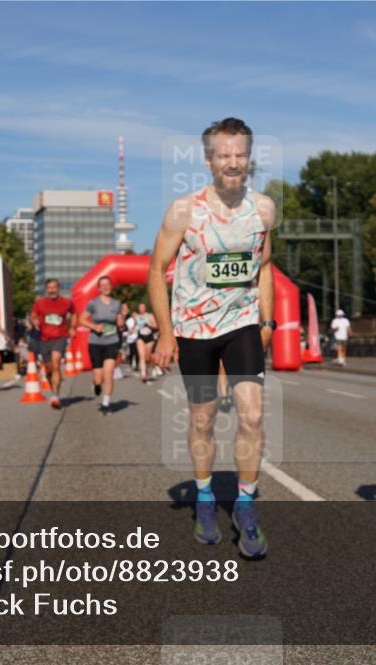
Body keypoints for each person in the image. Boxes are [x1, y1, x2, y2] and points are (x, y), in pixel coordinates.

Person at [149, 117, 276, 558]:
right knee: (202, 420)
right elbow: (155, 271)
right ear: (209, 160)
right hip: (193, 329)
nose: (233, 162)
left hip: (241, 324)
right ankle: (205, 498)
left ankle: (245, 504)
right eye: (225, 155)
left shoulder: (263, 209)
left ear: (249, 158)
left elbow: (263, 268)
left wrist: (268, 322)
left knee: (253, 415)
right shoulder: (184, 210)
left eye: (240, 155)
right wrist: (166, 333)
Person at [79, 275, 125, 414]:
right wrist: (94, 326)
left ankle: (106, 404)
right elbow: (82, 319)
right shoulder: (93, 303)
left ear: (111, 286)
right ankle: (96, 385)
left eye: (108, 284)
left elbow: (119, 323)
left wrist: (122, 317)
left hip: (112, 341)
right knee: (98, 377)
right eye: (102, 285)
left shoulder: (116, 304)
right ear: (99, 288)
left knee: (109, 373)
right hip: (95, 342)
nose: (105, 287)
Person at [30, 278, 76, 409]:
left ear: (58, 288)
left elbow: (74, 313)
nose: (52, 290)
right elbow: (33, 315)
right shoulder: (40, 303)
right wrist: (34, 321)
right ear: (46, 289)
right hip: (44, 339)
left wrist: (72, 327)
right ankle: (53, 390)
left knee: (56, 364)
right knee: (49, 369)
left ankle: (55, 396)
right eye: (49, 288)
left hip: (60, 337)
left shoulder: (66, 302)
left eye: (54, 287)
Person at [133, 303, 158, 383]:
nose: (142, 309)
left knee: (147, 357)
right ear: (138, 308)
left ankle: (147, 370)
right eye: (140, 307)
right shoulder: (136, 317)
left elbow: (156, 326)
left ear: (145, 308)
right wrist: (132, 329)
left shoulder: (149, 316)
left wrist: (149, 325)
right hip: (140, 337)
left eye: (143, 307)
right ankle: (143, 374)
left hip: (149, 337)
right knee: (142, 356)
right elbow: (134, 326)